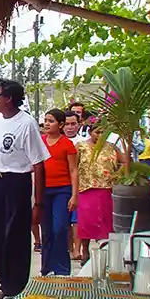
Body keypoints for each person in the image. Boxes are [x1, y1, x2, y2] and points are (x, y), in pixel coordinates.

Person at [0, 80, 49, 299]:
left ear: (8, 98)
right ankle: (5, 284)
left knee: (15, 235)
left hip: (16, 182)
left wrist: (39, 202)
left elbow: (38, 163)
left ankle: (16, 286)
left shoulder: (26, 123)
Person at [40, 109, 79, 276]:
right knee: (46, 231)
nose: (47, 124)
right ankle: (46, 268)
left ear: (61, 125)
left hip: (62, 190)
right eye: (46, 120)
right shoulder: (40, 141)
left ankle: (61, 269)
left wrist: (74, 195)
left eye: (51, 121)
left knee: (59, 228)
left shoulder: (67, 144)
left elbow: (74, 170)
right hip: (43, 190)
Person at [76, 119, 120, 264]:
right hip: (86, 189)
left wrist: (118, 174)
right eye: (97, 132)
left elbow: (124, 163)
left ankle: (105, 253)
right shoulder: (81, 147)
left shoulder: (112, 147)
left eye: (103, 133)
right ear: (90, 132)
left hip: (107, 190)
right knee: (86, 222)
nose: (100, 135)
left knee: (106, 222)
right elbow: (73, 168)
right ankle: (85, 251)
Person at [62, 109, 86, 260]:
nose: (70, 127)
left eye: (73, 124)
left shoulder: (84, 143)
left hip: (80, 184)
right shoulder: (55, 140)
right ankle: (69, 249)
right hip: (61, 184)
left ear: (79, 124)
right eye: (67, 124)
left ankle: (78, 250)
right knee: (64, 220)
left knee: (77, 220)